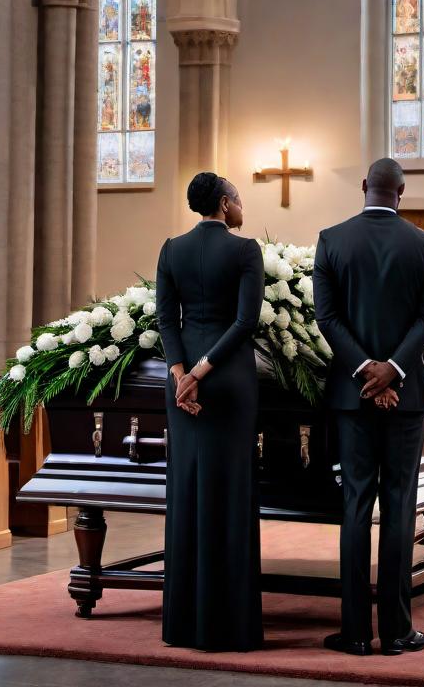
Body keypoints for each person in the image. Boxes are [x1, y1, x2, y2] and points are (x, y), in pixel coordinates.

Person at [313, 157, 424, 657]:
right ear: (401, 192)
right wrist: (394, 370)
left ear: (365, 186)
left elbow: (326, 318)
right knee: (399, 506)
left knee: (355, 505)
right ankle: (396, 631)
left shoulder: (332, 240)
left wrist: (364, 371)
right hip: (407, 397)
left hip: (351, 397)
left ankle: (353, 632)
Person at [155, 172, 265, 651]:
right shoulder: (246, 251)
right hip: (229, 379)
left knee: (187, 489)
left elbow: (166, 318)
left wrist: (181, 373)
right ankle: (231, 626)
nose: (242, 208)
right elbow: (245, 321)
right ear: (224, 203)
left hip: (181, 385)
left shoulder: (171, 249)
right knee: (231, 493)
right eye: (239, 200)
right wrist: (201, 373)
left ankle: (182, 624)